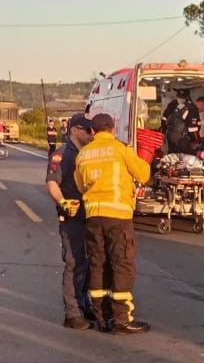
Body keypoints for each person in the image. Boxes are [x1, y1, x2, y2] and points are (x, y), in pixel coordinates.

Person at [74, 113, 152, 335]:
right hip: (118, 215)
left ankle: (102, 317)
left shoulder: (83, 154)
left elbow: (80, 186)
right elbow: (144, 174)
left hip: (92, 217)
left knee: (98, 265)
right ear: (113, 128)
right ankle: (121, 319)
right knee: (122, 264)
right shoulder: (120, 149)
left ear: (92, 131)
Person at [46, 113, 96, 330]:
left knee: (88, 262)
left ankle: (84, 304)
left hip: (90, 216)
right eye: (87, 130)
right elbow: (52, 183)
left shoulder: (88, 154)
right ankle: (72, 314)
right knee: (74, 262)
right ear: (74, 130)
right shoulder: (62, 154)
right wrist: (63, 202)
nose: (91, 134)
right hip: (72, 216)